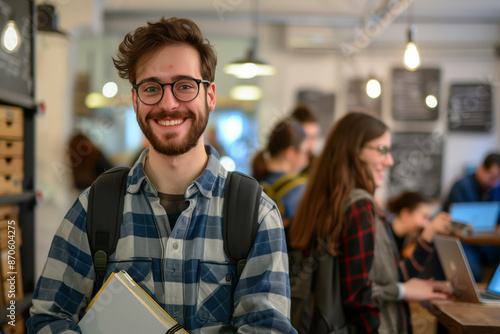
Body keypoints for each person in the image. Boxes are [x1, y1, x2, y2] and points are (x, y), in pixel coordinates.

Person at [27, 17, 295, 334]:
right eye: (152, 88)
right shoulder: (94, 208)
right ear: (135, 100)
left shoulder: (256, 215)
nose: (168, 104)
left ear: (209, 96)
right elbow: (47, 319)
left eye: (184, 86)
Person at [288, 111, 452, 333]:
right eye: (382, 150)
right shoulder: (359, 205)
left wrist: (423, 245)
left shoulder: (322, 201)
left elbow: (380, 278)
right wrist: (403, 291)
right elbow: (359, 297)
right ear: (355, 151)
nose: (390, 160)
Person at [440, 152, 500, 282]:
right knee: (473, 271)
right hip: (464, 242)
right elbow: (451, 220)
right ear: (481, 169)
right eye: (493, 177)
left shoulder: (496, 189)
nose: (495, 182)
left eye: (498, 178)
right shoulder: (462, 186)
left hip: (488, 243)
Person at [252, 118, 308, 230]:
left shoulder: (251, 181)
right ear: (290, 153)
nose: (306, 160)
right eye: (304, 152)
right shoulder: (300, 190)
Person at [386, 191, 451, 259]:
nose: (426, 224)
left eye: (429, 219)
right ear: (405, 214)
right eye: (424, 217)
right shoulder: (384, 236)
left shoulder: (406, 242)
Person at [289, 104, 320, 177]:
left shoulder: (317, 167)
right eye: (307, 137)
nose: (311, 143)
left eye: (314, 137)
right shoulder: (281, 166)